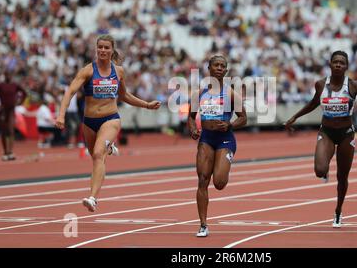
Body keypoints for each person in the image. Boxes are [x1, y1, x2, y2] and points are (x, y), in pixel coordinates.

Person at [55, 34, 161, 212]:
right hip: (89, 122)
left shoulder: (118, 71)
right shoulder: (88, 71)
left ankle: (92, 198)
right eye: (100, 47)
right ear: (96, 49)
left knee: (98, 154)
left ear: (112, 50)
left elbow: (124, 95)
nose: (102, 50)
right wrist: (61, 115)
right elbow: (70, 92)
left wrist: (146, 105)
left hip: (110, 119)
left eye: (106, 47)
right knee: (95, 156)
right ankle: (109, 147)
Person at [285, 50, 357, 228]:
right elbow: (313, 103)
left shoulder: (354, 86)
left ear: (346, 66)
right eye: (335, 62)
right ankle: (325, 165)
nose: (338, 65)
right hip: (327, 132)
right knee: (320, 170)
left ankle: (338, 211)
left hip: (346, 135)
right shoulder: (321, 85)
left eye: (342, 62)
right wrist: (294, 117)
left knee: (342, 177)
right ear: (329, 64)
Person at [187, 55, 247, 237]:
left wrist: (230, 125)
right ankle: (203, 224)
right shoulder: (200, 93)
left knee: (219, 183)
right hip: (206, 139)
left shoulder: (230, 94)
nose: (219, 68)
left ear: (226, 71)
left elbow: (244, 119)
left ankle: (224, 163)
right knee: (202, 179)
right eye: (216, 65)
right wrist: (192, 129)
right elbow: (191, 116)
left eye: (222, 66)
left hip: (225, 139)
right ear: (209, 68)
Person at [0, 71, 27, 161]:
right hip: (2, 110)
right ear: (4, 75)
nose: (8, 76)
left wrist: (20, 102)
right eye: (7, 74)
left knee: (11, 131)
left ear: (12, 75)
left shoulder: (15, 85)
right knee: (4, 131)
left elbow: (24, 93)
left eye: (10, 74)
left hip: (11, 111)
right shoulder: (0, 85)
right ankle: (5, 152)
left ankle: (10, 152)